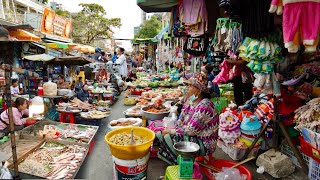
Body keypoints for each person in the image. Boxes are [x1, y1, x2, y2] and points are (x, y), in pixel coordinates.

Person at [158, 73, 219, 164]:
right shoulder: (190, 100)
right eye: (187, 85)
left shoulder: (205, 105)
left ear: (199, 90)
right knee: (160, 134)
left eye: (190, 86)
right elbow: (180, 120)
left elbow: (191, 131)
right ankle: (175, 160)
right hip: (192, 135)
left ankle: (180, 165)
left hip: (204, 142)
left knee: (169, 138)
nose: (186, 88)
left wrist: (171, 131)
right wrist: (173, 129)